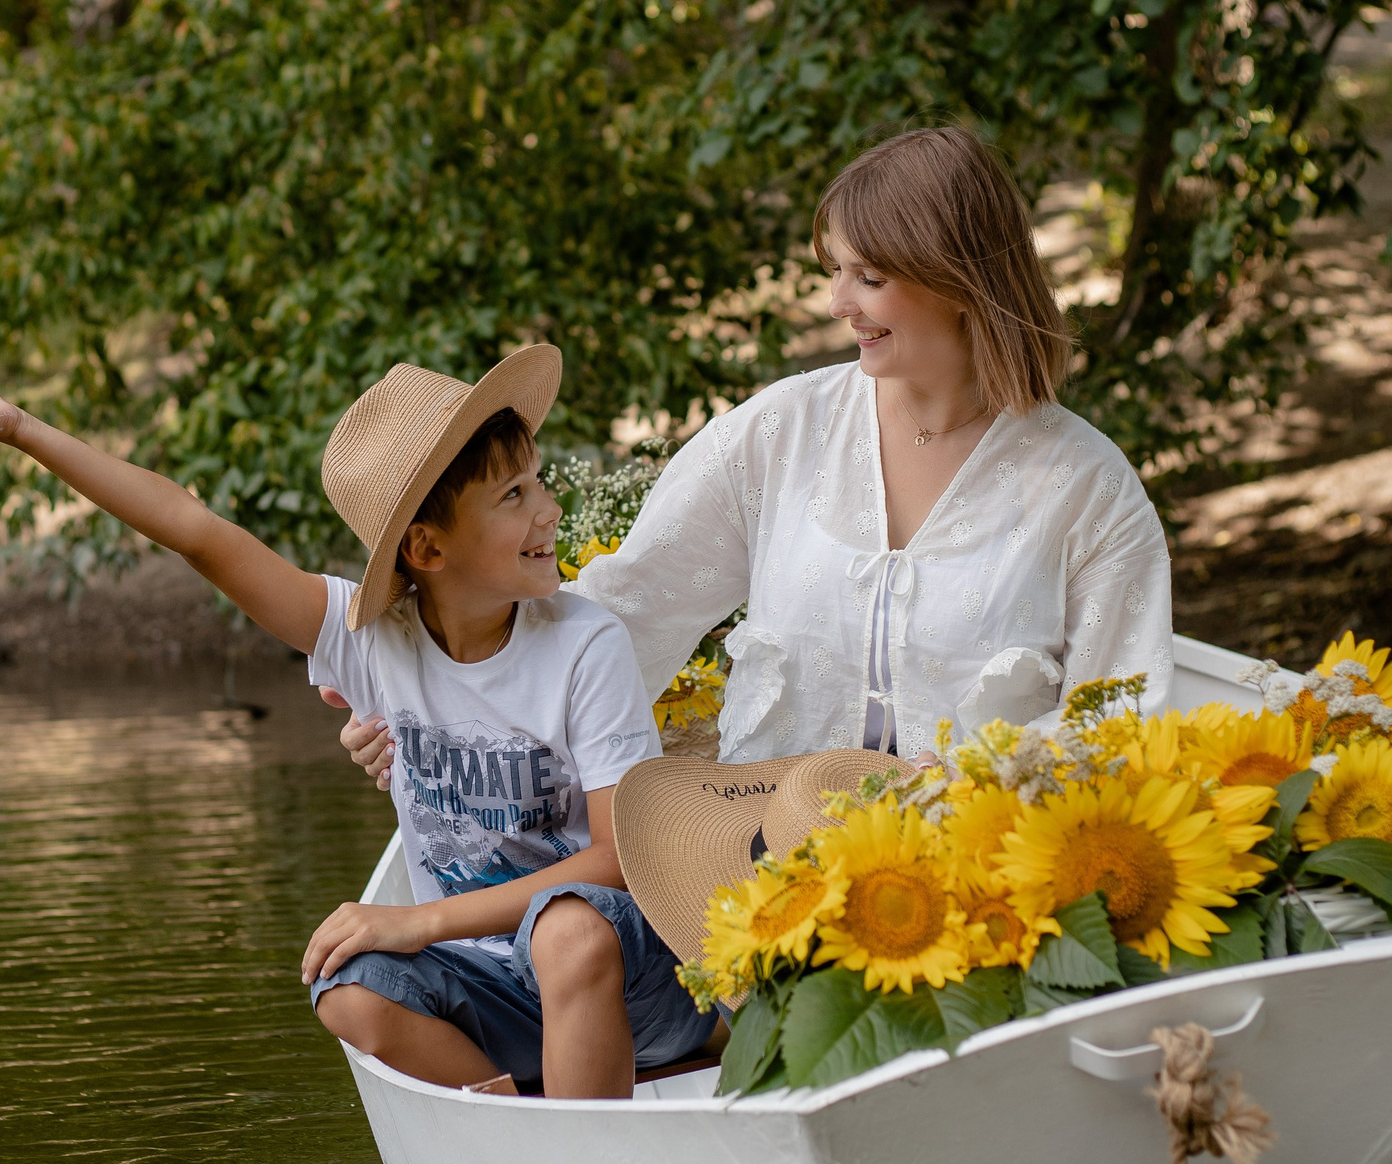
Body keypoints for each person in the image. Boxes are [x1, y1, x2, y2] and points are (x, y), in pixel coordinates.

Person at [0, 346, 715, 1098]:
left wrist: (416, 920)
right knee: (347, 982)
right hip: (492, 990)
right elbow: (199, 534)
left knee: (567, 927)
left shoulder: (581, 643)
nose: (548, 512)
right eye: (513, 495)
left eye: (538, 484)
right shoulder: (369, 640)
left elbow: (614, 860)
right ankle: (505, 1115)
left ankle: (591, 1133)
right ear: (426, 549)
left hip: (618, 971)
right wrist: (19, 429)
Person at [338, 125, 1175, 787]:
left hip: (990, 878)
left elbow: (1121, 722)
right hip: (758, 867)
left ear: (959, 281)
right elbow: (630, 611)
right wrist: (433, 711)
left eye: (869, 278)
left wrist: (971, 784)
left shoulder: (1088, 491)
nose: (840, 303)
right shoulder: (782, 434)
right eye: (836, 271)